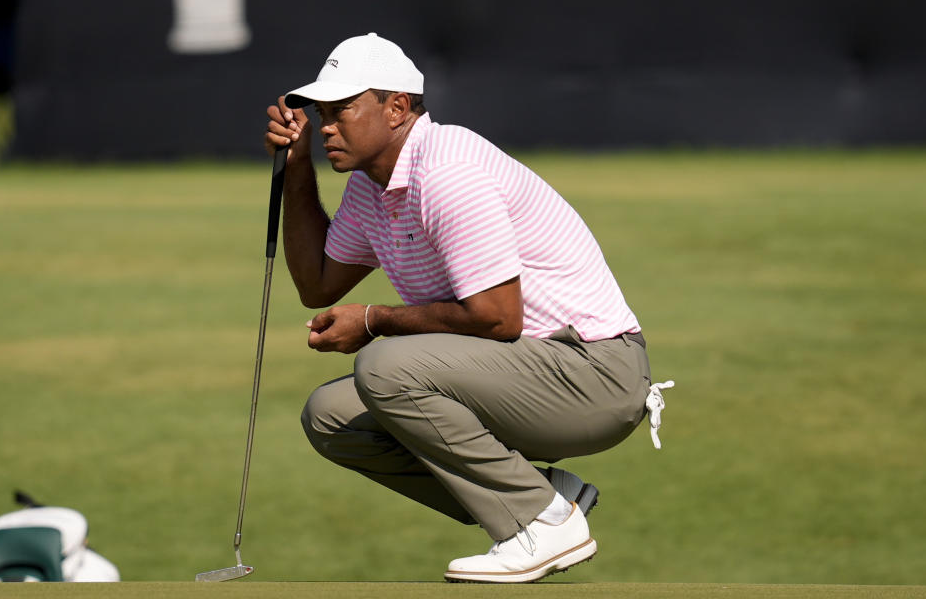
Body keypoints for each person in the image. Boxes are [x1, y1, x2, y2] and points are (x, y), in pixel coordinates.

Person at [264, 32, 666, 584]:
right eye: (321, 112)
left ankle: (540, 521)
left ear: (397, 108)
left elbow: (498, 316)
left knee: (385, 367)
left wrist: (375, 320)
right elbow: (316, 285)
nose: (327, 125)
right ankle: (546, 499)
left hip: (595, 375)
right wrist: (296, 165)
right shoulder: (369, 185)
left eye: (341, 110)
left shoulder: (447, 168)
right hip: (531, 371)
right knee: (331, 418)